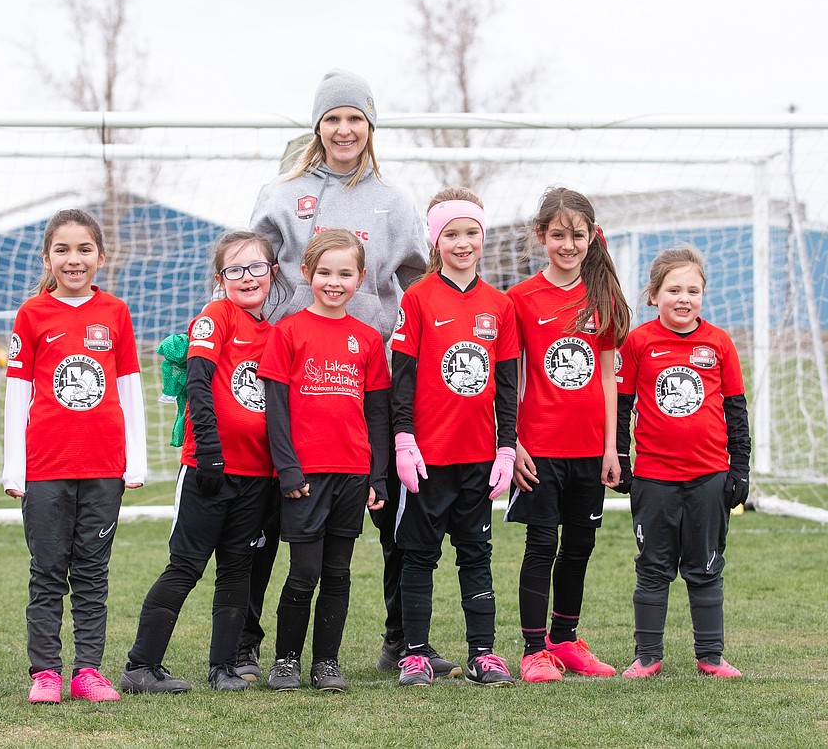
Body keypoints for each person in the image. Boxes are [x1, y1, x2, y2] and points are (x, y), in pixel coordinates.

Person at [242, 68, 457, 682]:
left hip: (373, 379)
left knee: (392, 513)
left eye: (355, 118)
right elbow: (250, 274)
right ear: (317, 125)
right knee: (269, 513)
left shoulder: (394, 201)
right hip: (292, 380)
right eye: (332, 118)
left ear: (370, 127)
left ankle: (402, 640)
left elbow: (419, 283)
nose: (344, 129)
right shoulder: (280, 193)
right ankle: (249, 646)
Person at [120, 232, 278, 694]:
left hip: (256, 475)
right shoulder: (217, 316)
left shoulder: (273, 332)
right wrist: (209, 450)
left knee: (237, 570)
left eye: (257, 267)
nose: (247, 277)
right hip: (211, 470)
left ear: (273, 272)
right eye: (235, 270)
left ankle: (223, 667)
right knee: (186, 567)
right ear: (220, 279)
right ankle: (140, 666)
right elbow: (199, 382)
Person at [2, 208, 147, 704]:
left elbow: (129, 388)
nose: (74, 259)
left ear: (101, 256)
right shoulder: (32, 314)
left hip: (105, 467)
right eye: (62, 249)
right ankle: (45, 673)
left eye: (84, 249)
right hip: (46, 468)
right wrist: (13, 467)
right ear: (47, 257)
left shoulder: (116, 313)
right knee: (47, 570)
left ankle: (87, 670)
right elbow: (17, 394)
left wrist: (136, 460)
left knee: (91, 571)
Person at [390, 188, 520, 687]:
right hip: (428, 458)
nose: (462, 243)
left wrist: (505, 447)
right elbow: (402, 377)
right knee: (419, 555)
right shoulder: (418, 299)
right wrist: (404, 440)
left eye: (471, 233)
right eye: (451, 234)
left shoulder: (499, 306)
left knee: (476, 554)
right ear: (435, 240)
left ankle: (483, 653)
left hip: (479, 460)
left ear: (482, 238)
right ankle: (415, 653)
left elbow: (507, 385)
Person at [505, 186, 630, 682]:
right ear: (541, 236)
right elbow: (509, 379)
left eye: (577, 235)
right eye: (558, 234)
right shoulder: (520, 299)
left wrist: (611, 448)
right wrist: (512, 442)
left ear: (591, 237)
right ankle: (534, 650)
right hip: (539, 449)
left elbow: (606, 375)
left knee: (580, 546)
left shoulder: (602, 297)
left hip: (589, 451)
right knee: (541, 545)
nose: (568, 244)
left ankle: (566, 639)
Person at [258, 229, 391, 693]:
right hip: (305, 477)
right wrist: (288, 468)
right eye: (325, 273)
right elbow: (275, 410)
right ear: (307, 273)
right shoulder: (287, 333)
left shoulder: (368, 340)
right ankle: (286, 661)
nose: (334, 282)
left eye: (345, 273)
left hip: (353, 474)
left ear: (360, 278)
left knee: (338, 573)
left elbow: (376, 415)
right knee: (304, 572)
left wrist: (378, 476)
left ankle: (327, 663)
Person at [614, 243, 749, 679]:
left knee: (706, 567)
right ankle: (647, 656)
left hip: (709, 477)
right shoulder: (638, 342)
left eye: (693, 290)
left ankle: (710, 656)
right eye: (674, 290)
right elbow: (621, 406)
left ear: (703, 295)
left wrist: (740, 469)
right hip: (654, 479)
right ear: (654, 295)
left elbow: (735, 410)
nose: (684, 298)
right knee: (652, 567)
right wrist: (620, 458)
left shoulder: (719, 342)